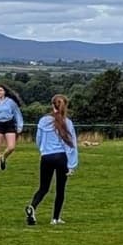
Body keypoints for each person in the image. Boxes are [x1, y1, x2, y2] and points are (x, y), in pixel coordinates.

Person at [26, 95, 78, 226]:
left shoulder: (43, 121)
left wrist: (43, 150)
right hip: (61, 157)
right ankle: (55, 218)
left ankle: (33, 206)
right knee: (60, 189)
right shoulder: (67, 122)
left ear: (52, 105)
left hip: (46, 157)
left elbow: (38, 139)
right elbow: (71, 145)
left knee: (43, 187)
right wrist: (72, 164)